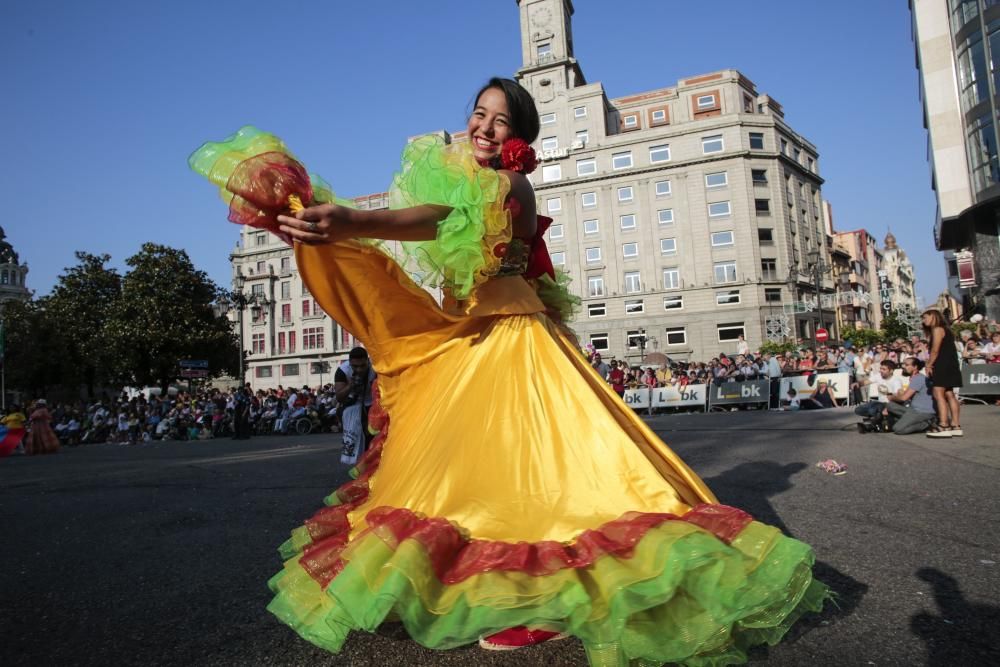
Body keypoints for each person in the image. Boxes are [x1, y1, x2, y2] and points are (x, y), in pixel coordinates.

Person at [192, 77, 826, 663]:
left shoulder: (509, 187)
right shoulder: (459, 176)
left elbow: (443, 221)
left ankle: (546, 600)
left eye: (501, 120)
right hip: (470, 332)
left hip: (515, 337)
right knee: (480, 477)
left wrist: (356, 219)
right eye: (478, 114)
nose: (485, 128)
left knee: (541, 477)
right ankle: (516, 590)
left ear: (521, 136)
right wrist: (331, 227)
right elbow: (425, 229)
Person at [922, 309, 962, 437]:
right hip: (951, 363)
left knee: (938, 393)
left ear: (933, 316)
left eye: (925, 318)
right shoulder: (947, 329)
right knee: (949, 393)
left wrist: (929, 364)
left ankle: (943, 424)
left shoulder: (937, 329)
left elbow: (935, 350)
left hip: (942, 363)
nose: (924, 321)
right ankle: (956, 425)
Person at [334, 347, 376, 465]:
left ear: (368, 361)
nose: (359, 369)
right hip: (353, 405)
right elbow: (339, 397)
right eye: (355, 366)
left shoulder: (376, 367)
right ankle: (360, 467)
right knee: (355, 438)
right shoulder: (343, 370)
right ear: (349, 363)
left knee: (372, 438)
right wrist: (350, 386)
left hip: (372, 403)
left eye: (363, 366)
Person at [884, 357, 936, 435]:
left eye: (907, 365)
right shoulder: (914, 378)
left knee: (898, 429)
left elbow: (903, 398)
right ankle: (908, 420)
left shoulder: (918, 378)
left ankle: (926, 424)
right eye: (903, 364)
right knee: (890, 406)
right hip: (913, 409)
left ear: (915, 367)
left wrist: (891, 397)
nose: (903, 367)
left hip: (921, 411)